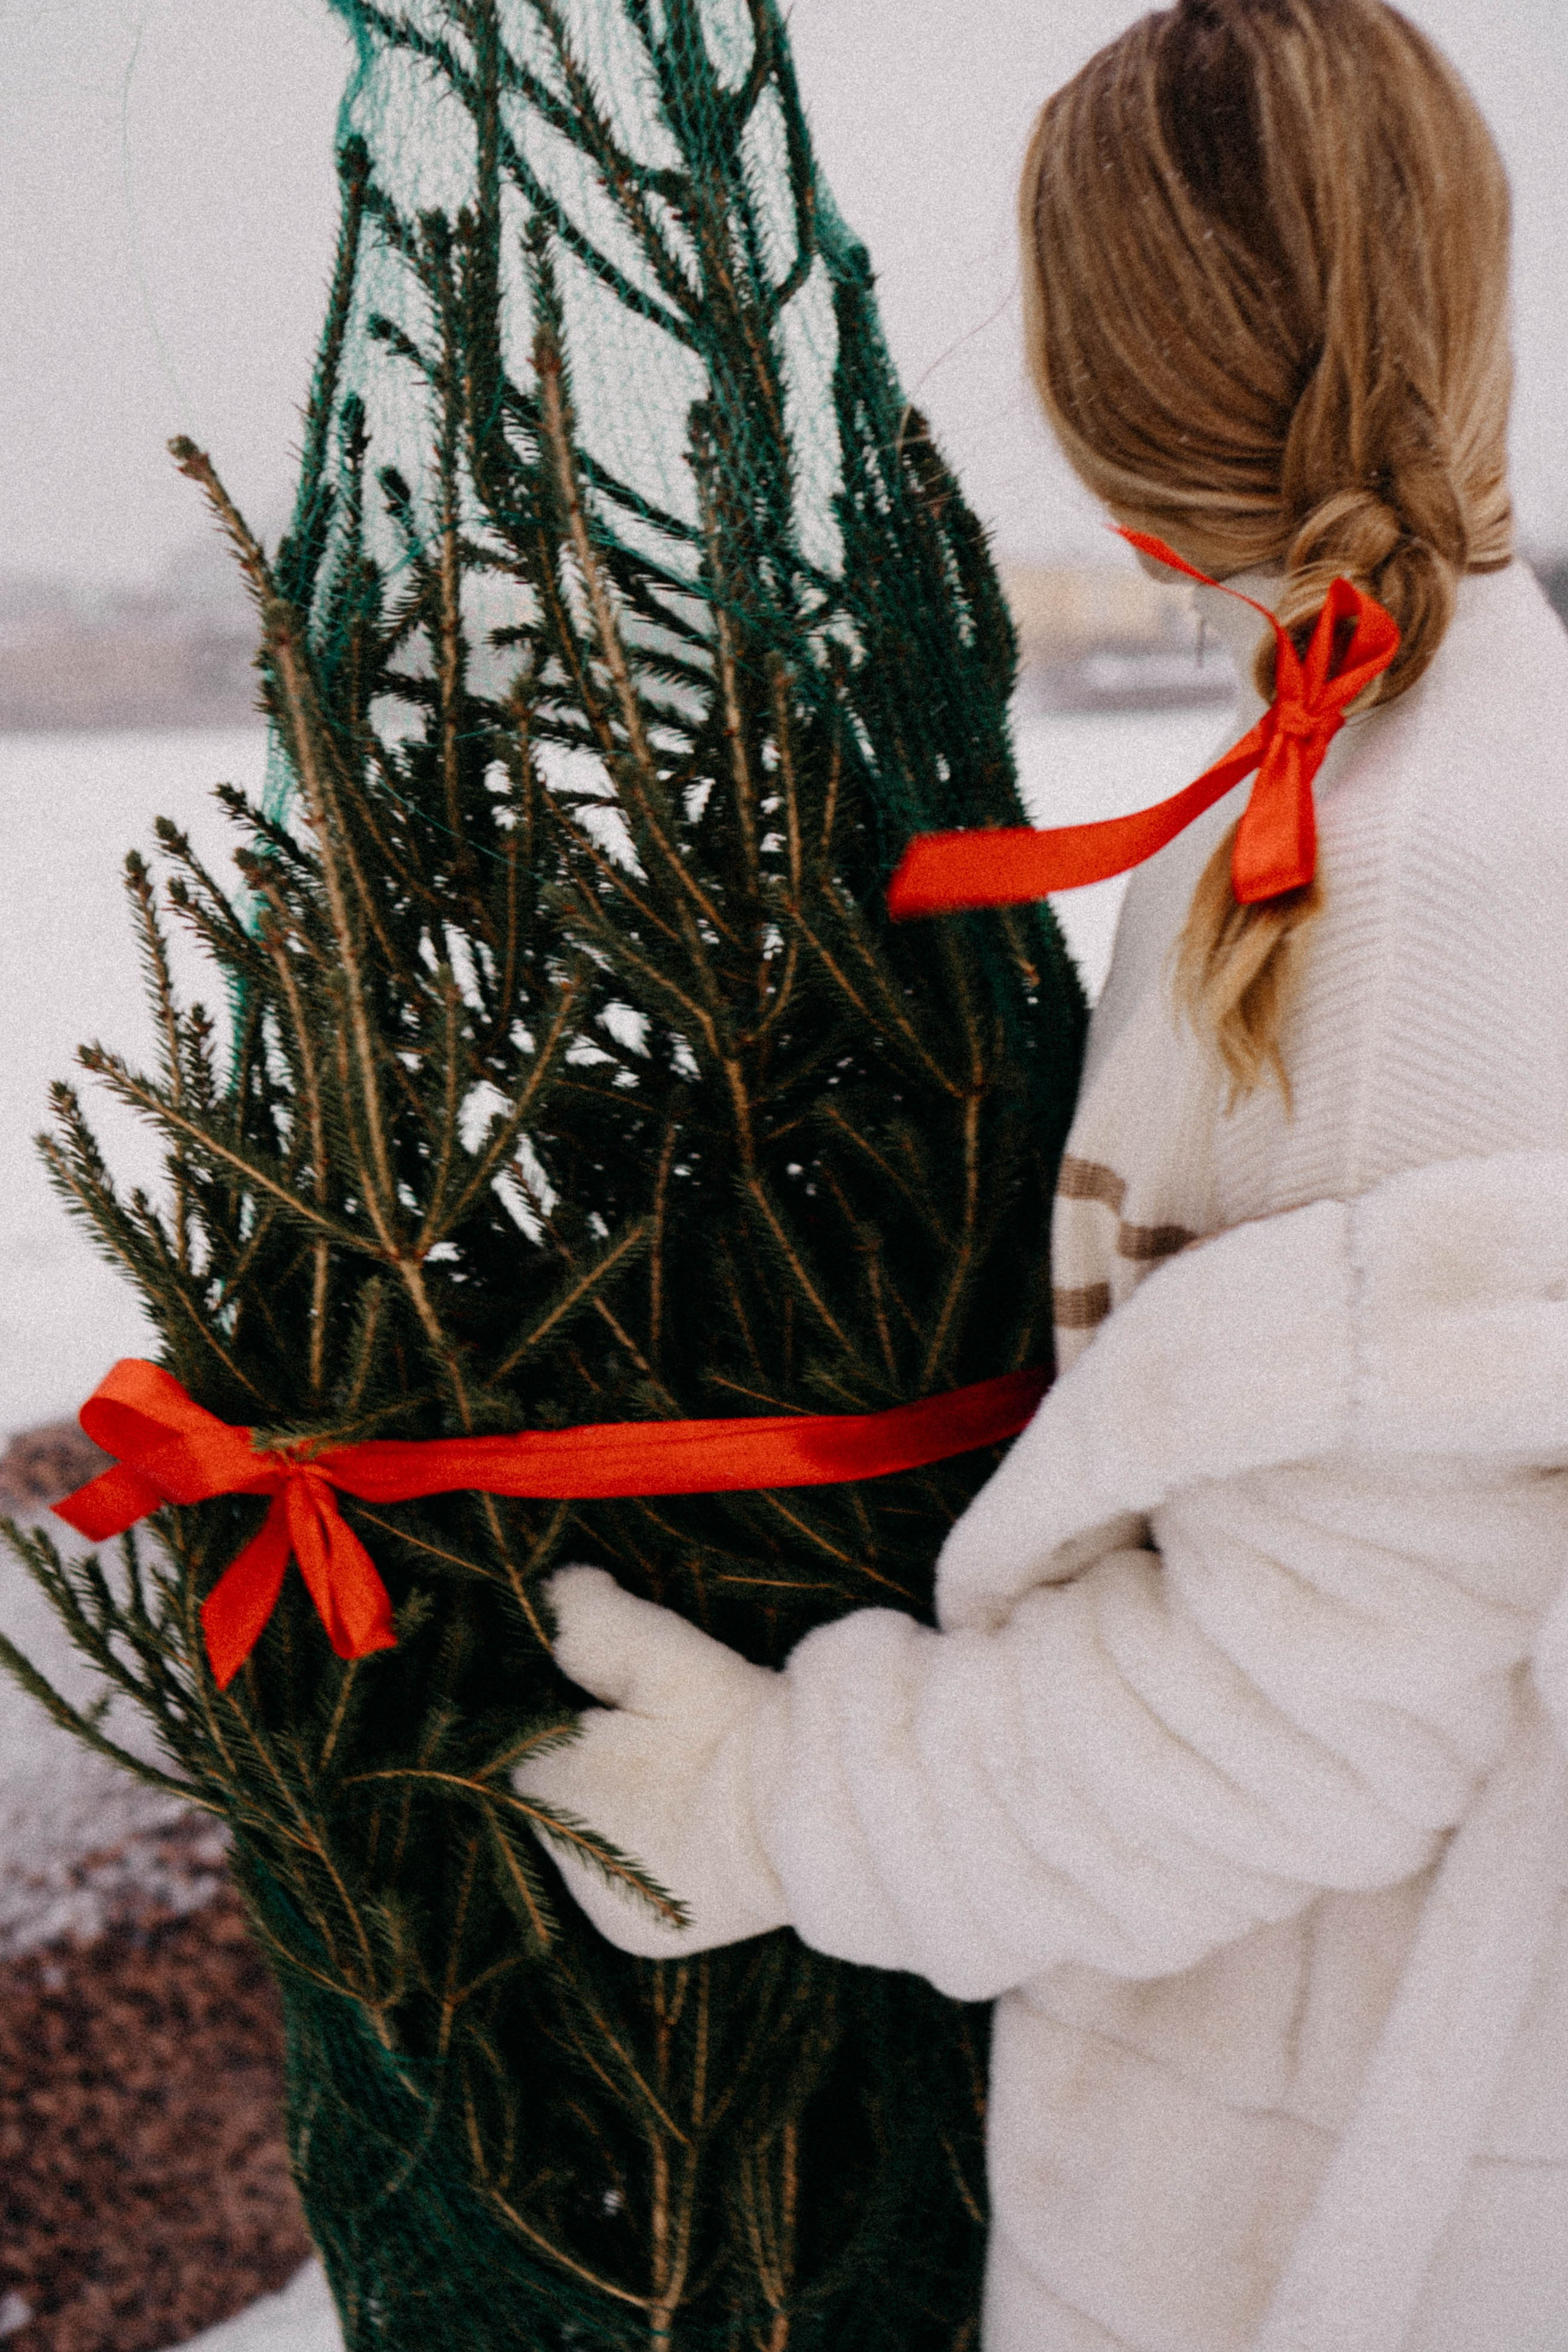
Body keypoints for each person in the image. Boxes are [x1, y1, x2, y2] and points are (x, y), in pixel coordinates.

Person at [514, 2, 1568, 2344]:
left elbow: (1317, 1710)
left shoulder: (1412, 889)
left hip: (1331, 2226)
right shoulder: (1406, 788)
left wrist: (786, 1804)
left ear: (1106, 417)